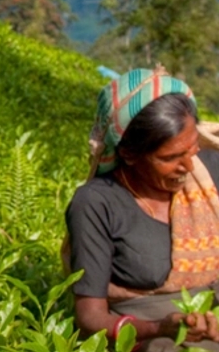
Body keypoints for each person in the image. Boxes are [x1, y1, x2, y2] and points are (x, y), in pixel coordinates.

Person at [66, 68, 219, 351]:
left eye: (192, 149)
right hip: (148, 335)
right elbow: (89, 317)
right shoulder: (97, 203)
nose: (187, 166)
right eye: (170, 158)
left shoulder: (210, 171)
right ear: (129, 154)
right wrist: (160, 328)